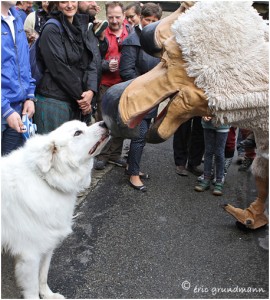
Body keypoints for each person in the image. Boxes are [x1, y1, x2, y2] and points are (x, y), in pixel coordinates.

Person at [33, 1, 99, 134]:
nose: (69, 5)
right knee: (53, 152)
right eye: (64, 1)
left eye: (73, 0)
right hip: (53, 101)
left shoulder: (80, 25)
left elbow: (92, 60)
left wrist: (91, 91)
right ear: (57, 4)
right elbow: (59, 69)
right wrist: (83, 99)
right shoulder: (51, 28)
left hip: (75, 99)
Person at [119, 2, 162, 191]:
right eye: (147, 19)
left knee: (141, 137)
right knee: (139, 136)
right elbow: (126, 71)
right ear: (140, 18)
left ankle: (131, 165)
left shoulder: (158, 40)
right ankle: (133, 174)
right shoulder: (132, 40)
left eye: (155, 21)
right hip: (138, 95)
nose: (150, 23)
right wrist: (145, 84)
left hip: (153, 96)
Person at [94, 1, 133, 170]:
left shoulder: (130, 32)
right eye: (111, 17)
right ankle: (101, 155)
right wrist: (105, 64)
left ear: (123, 16)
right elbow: (93, 59)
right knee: (104, 121)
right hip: (106, 85)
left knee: (122, 121)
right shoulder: (100, 32)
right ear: (106, 16)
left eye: (118, 17)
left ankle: (115, 154)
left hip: (125, 85)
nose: (115, 20)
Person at [1, 1, 36, 156]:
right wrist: (5, 110)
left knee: (9, 173)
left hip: (18, 109)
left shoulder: (17, 18)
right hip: (5, 110)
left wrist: (29, 96)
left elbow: (24, 62)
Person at [195, 117, 230, 196]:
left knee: (219, 152)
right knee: (208, 151)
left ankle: (219, 181)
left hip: (223, 123)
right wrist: (203, 113)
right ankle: (206, 179)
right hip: (208, 124)